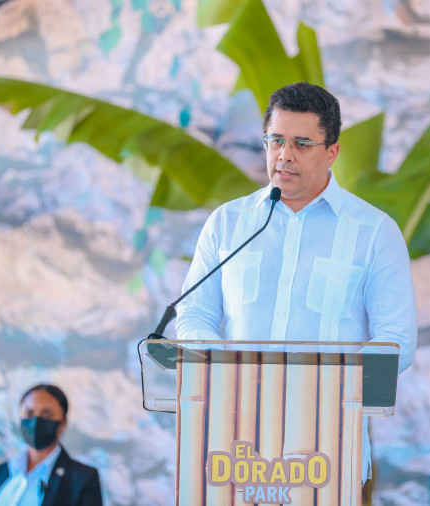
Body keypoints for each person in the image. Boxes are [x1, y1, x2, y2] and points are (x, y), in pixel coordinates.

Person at [175, 81, 417, 483]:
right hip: (234, 446)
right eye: (276, 140)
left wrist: (324, 386)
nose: (284, 155)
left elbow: (397, 341)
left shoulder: (374, 232)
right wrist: (228, 370)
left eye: (302, 144)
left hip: (327, 449)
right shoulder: (228, 223)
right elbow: (194, 314)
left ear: (332, 152)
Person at [0, 384, 103, 506]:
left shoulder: (82, 479)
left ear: (63, 423)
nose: (36, 421)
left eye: (47, 415)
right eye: (29, 413)